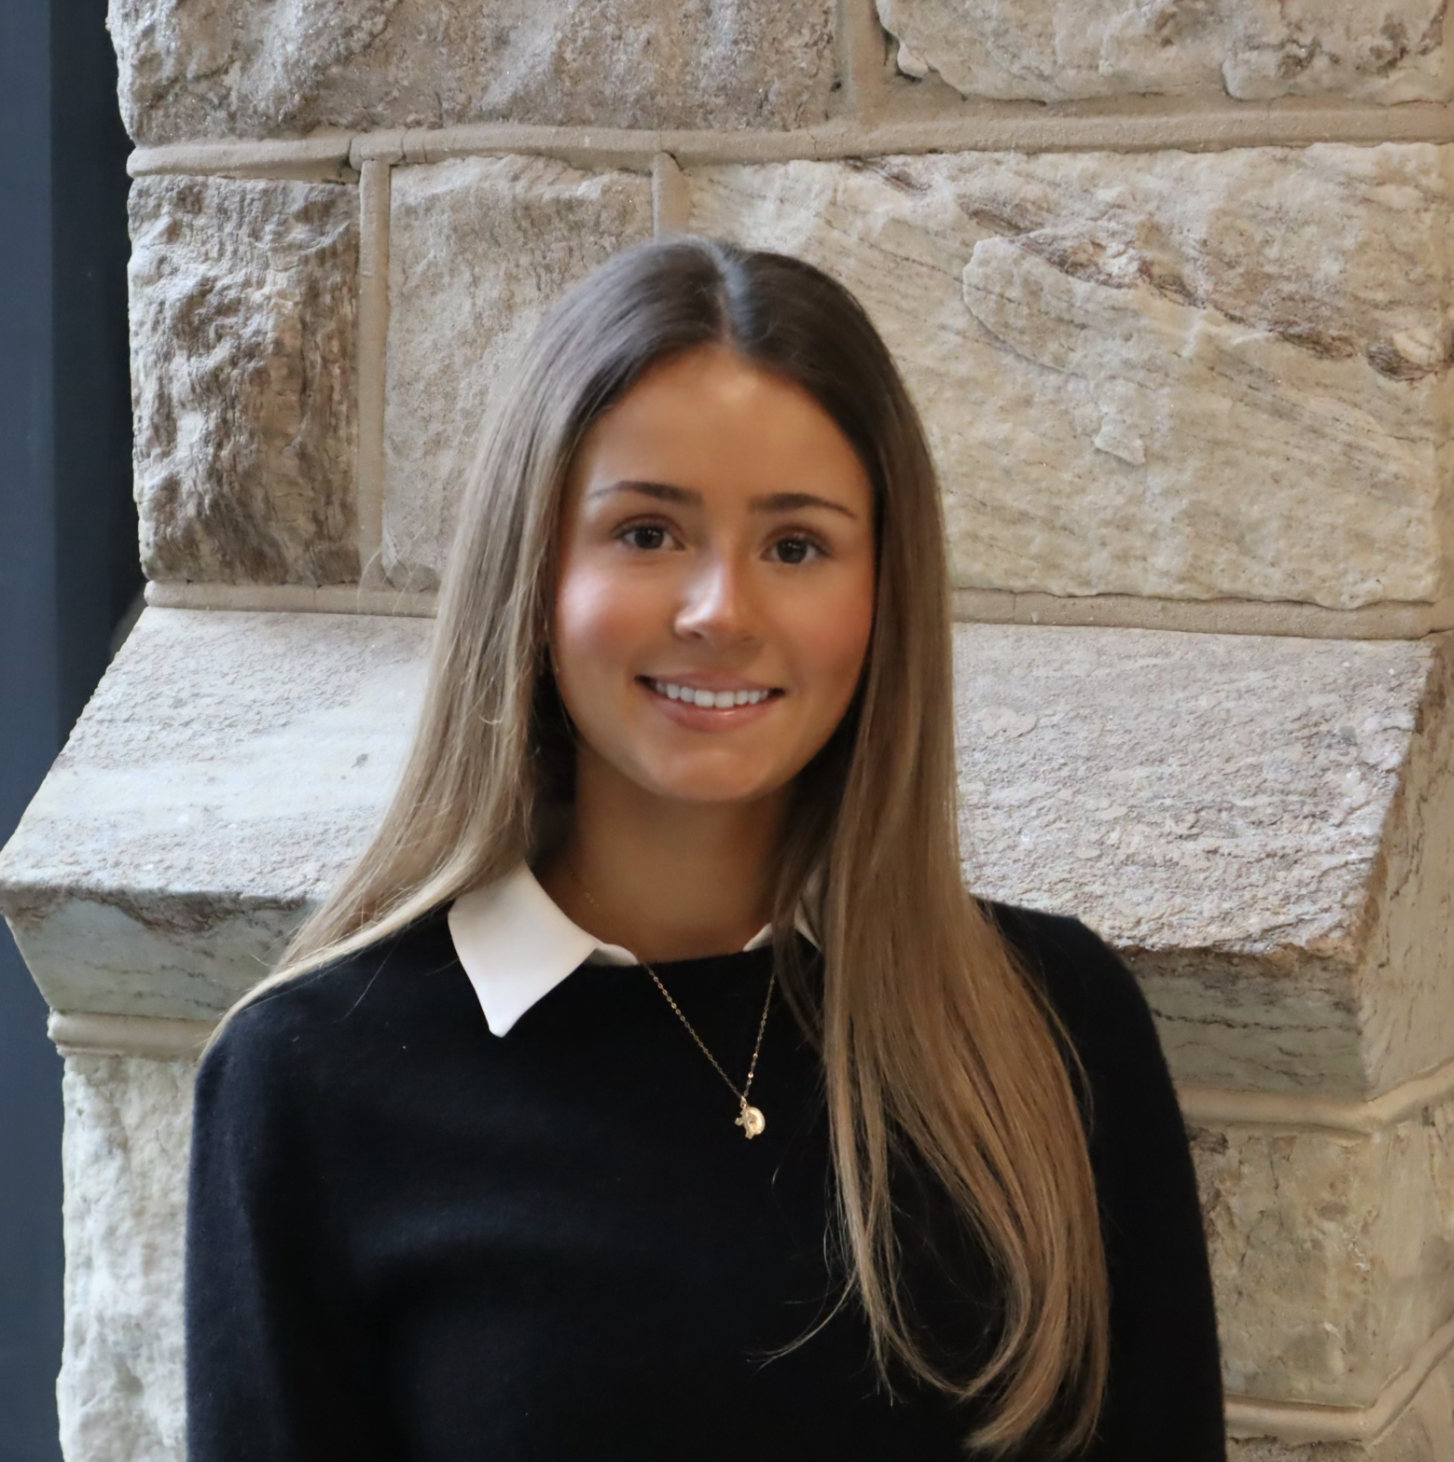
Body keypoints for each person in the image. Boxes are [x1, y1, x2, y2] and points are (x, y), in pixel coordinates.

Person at [184, 237, 1225, 1460]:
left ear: (882, 593)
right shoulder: (307, 1077)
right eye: (646, 533)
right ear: (532, 568)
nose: (720, 611)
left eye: (794, 546)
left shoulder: (1052, 1028)